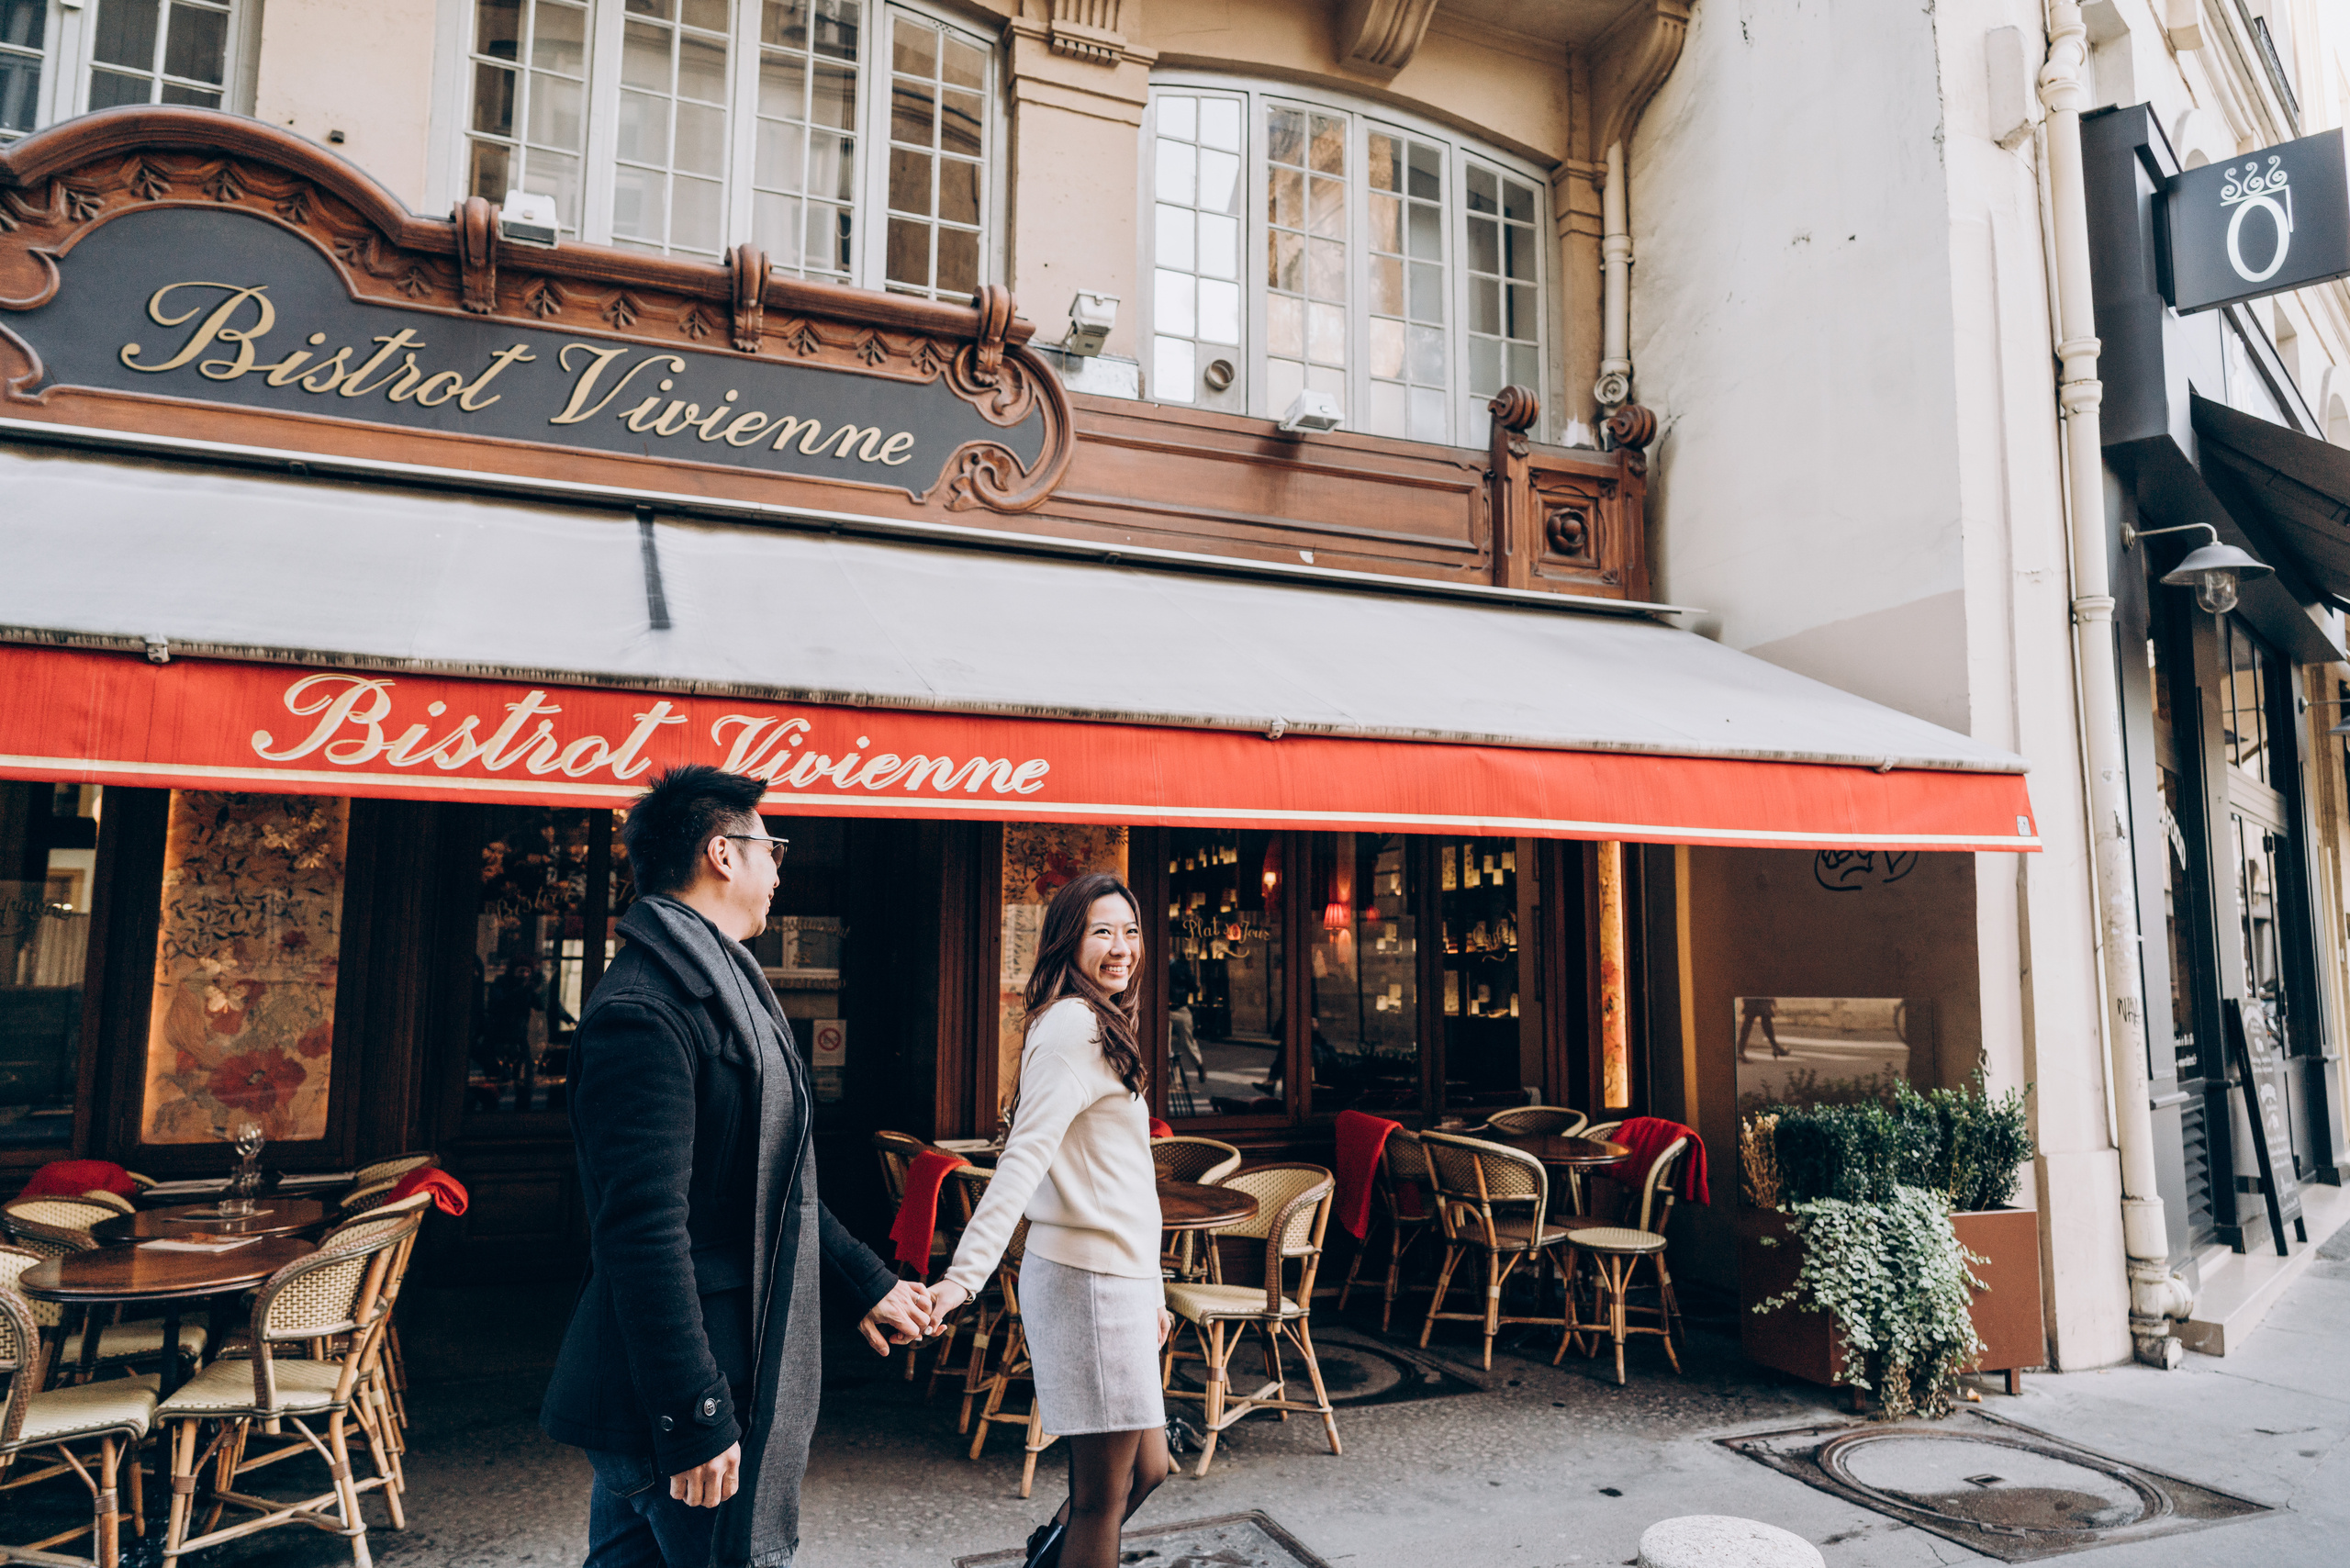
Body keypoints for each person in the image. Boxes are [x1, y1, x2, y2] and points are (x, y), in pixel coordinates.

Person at [540, 766, 931, 1568]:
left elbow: (775, 1180)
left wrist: (868, 1282)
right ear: (723, 853)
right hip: (684, 1387)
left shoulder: (719, 990)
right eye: (771, 849)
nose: (780, 871)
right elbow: (643, 1233)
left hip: (689, 1376)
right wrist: (695, 1412)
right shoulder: (645, 1011)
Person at [923, 872, 1170, 1568]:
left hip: (1116, 1279)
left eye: (1130, 931)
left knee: (1149, 1469)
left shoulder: (1102, 1021)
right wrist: (961, 1281)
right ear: (1069, 940)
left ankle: (1047, 1559)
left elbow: (1131, 1184)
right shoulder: (1072, 1026)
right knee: (1103, 1498)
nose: (1121, 948)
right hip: (1088, 1282)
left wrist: (1150, 1289)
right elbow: (1022, 1164)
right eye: (1102, 932)